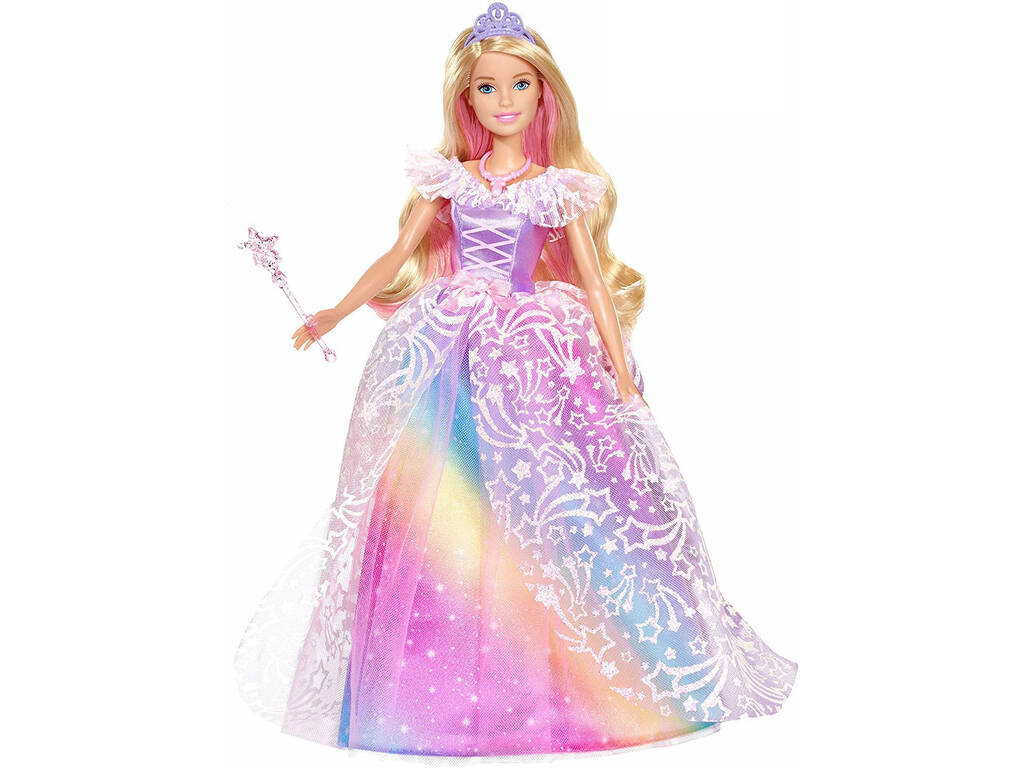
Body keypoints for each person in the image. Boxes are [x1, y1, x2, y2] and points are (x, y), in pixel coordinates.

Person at [234, 3, 797, 759]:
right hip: (451, 350)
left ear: (543, 94)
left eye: (519, 85)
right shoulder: (449, 180)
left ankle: (573, 680)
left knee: (548, 496)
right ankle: (423, 696)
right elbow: (394, 256)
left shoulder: (556, 188)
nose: (504, 100)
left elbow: (592, 283)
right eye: (487, 87)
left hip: (532, 354)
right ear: (466, 100)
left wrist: (621, 369)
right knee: (442, 496)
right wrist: (334, 310)